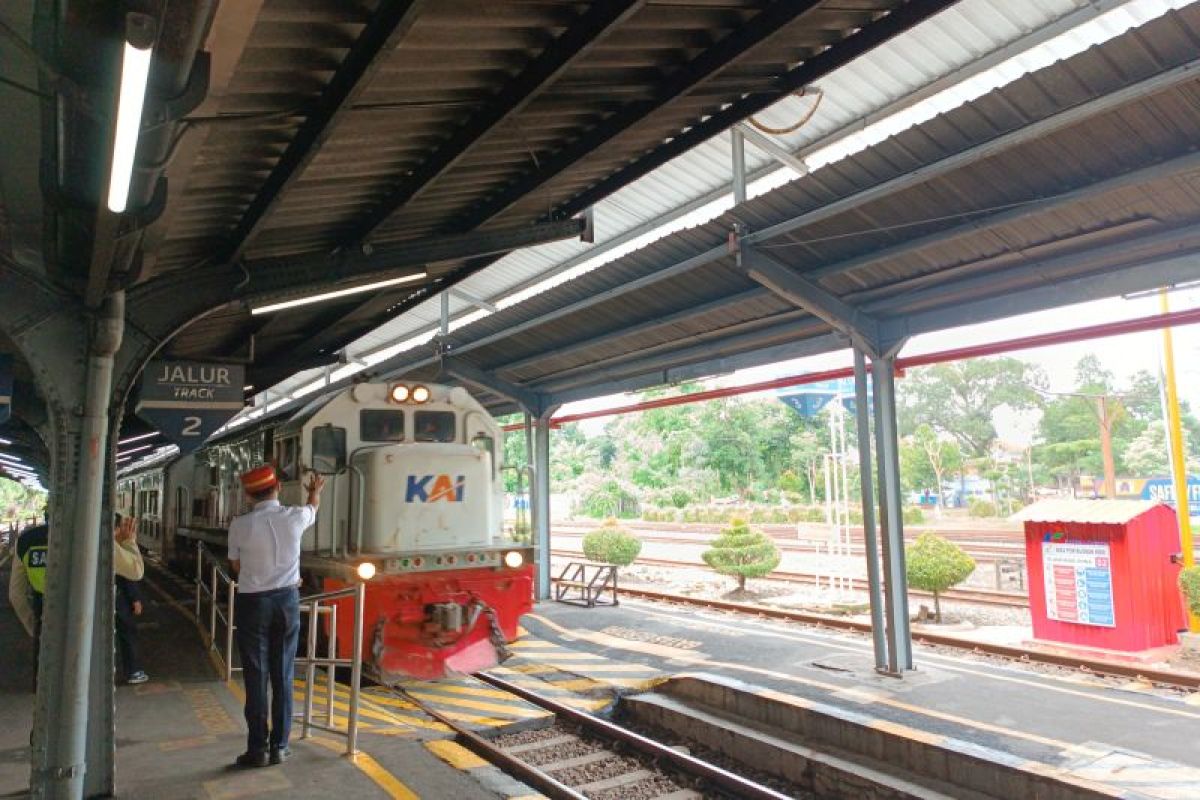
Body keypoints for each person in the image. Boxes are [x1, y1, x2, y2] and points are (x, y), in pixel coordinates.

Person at [227, 464, 323, 768]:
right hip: (287, 601)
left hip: (253, 603)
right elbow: (312, 508)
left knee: (256, 676)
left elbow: (236, 567)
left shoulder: (240, 525)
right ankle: (280, 746)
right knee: (282, 673)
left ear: (247, 494)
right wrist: (315, 491)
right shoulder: (295, 517)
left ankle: (257, 749)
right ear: (278, 487)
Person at [9, 521, 47, 691]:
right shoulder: (87, 534)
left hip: (42, 610)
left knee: (44, 679)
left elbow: (15, 595)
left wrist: (34, 628)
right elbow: (134, 570)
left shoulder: (26, 540)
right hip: (81, 614)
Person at [113, 514, 148, 684]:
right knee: (127, 631)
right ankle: (134, 671)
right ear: (116, 529)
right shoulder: (112, 546)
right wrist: (130, 542)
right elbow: (134, 571)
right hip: (118, 597)